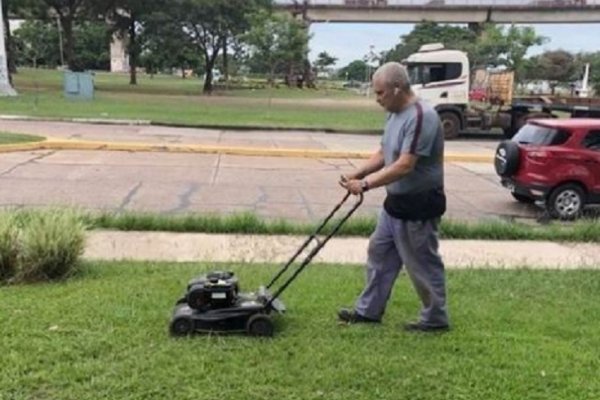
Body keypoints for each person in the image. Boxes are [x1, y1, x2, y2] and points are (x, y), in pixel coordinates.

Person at [338, 62, 449, 333]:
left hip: (419, 205)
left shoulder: (422, 116)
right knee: (380, 253)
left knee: (422, 264)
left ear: (397, 89)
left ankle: (435, 318)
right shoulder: (394, 112)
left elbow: (404, 165)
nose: (377, 99)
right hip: (395, 205)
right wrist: (358, 172)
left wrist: (364, 185)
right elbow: (384, 153)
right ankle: (368, 311)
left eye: (380, 93)